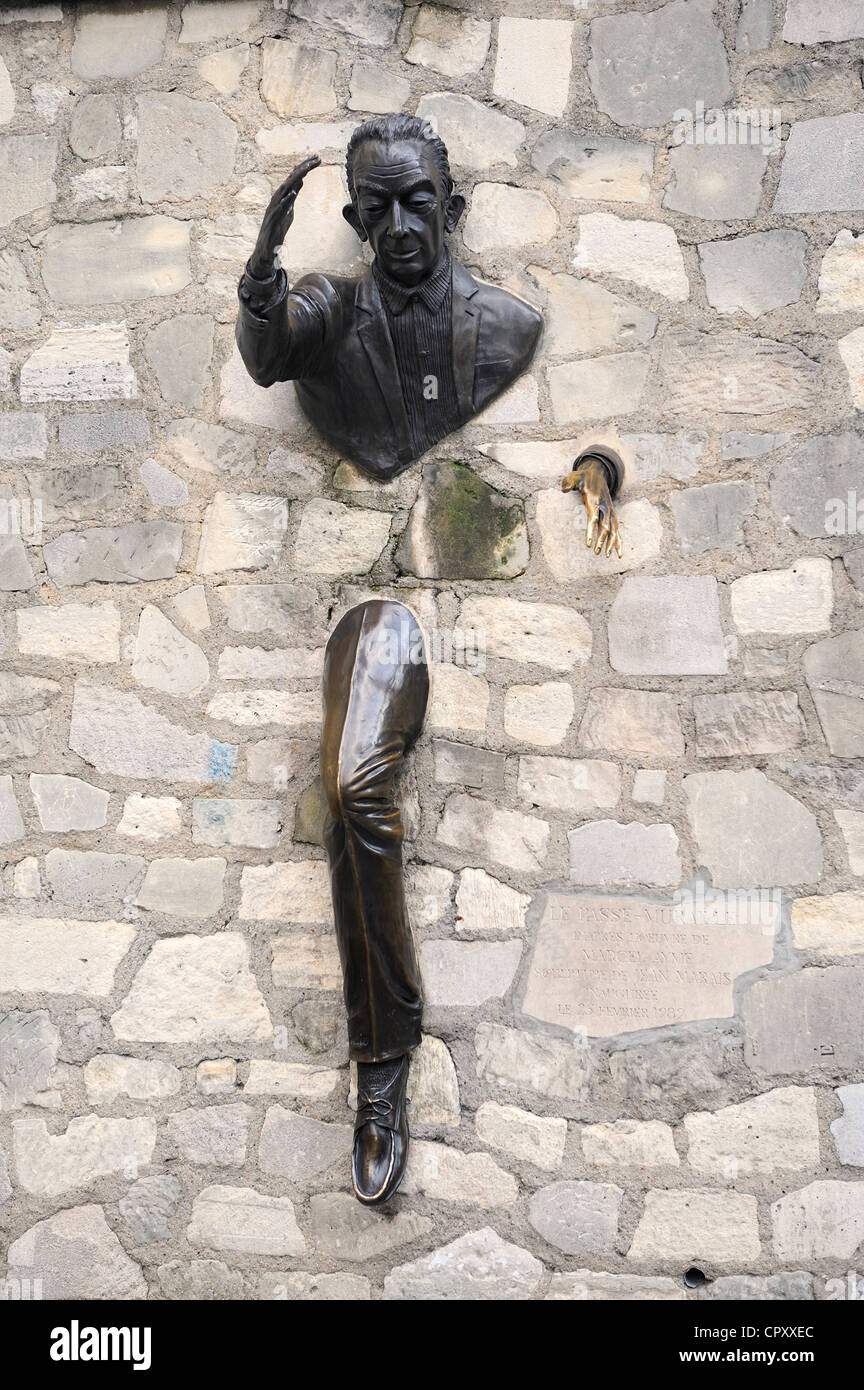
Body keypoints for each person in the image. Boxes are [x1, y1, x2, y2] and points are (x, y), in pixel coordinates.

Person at [236, 115, 625, 1203]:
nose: (401, 226)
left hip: (434, 588)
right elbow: (271, 352)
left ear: (449, 209)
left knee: (358, 787)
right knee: (350, 783)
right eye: (379, 208)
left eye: (422, 203)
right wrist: (260, 280)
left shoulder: (504, 328)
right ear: (355, 220)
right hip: (366, 596)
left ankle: (384, 1061)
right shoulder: (326, 312)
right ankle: (381, 1063)